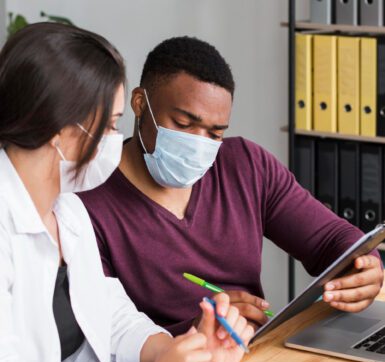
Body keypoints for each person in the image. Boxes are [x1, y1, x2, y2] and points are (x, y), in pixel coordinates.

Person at [0, 24, 253, 362]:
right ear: (59, 127)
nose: (116, 141)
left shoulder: (67, 210)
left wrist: (185, 354)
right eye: (112, 125)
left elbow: (109, 316)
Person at [79, 36, 383, 336]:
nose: (198, 143)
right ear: (139, 103)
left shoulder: (246, 165)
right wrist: (198, 329)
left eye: (214, 134)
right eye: (184, 124)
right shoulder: (88, 200)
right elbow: (103, 336)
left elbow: (331, 239)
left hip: (253, 358)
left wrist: (364, 266)